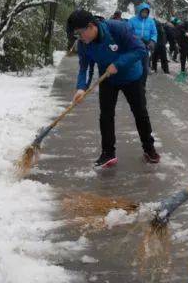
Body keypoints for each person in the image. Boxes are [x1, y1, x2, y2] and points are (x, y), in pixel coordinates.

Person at [67, 9, 161, 168]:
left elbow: (140, 50)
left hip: (132, 76)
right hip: (108, 79)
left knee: (140, 113)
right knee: (106, 115)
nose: (80, 38)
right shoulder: (84, 44)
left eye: (80, 33)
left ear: (90, 26)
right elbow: (85, 67)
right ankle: (108, 153)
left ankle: (149, 148)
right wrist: (81, 88)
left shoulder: (117, 28)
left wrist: (118, 64)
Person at [128, 2, 158, 85]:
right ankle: (133, 84)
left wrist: (152, 41)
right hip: (134, 47)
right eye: (143, 11)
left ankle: (142, 85)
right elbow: (127, 32)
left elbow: (154, 33)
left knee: (145, 67)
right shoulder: (132, 20)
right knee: (134, 66)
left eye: (146, 12)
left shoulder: (151, 21)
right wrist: (135, 39)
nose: (145, 13)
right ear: (139, 11)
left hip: (145, 47)